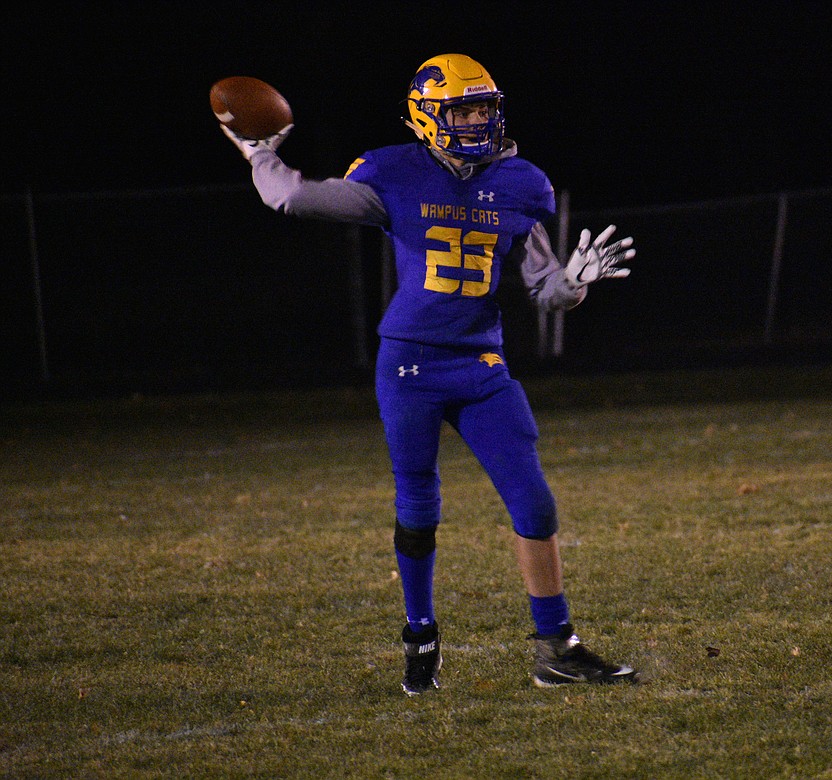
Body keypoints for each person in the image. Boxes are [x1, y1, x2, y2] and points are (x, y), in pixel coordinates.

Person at [220, 53, 638, 694]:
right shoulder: (395, 171)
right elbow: (294, 199)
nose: (477, 121)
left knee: (534, 500)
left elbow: (546, 290)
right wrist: (260, 154)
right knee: (419, 505)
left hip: (483, 365)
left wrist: (576, 283)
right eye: (464, 110)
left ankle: (557, 648)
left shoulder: (521, 182)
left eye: (483, 109)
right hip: (410, 363)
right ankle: (420, 635)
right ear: (426, 116)